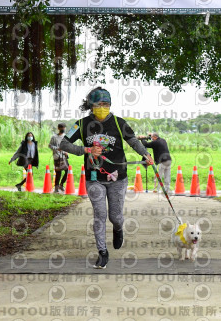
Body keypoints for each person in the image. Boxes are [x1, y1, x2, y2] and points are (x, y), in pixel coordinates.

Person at [60, 87, 154, 269]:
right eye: (99, 104)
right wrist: (85, 150)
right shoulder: (81, 124)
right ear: (91, 106)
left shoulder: (119, 123)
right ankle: (102, 252)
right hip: (94, 177)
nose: (103, 107)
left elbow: (133, 141)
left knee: (115, 216)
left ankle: (118, 229)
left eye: (106, 104)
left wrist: (145, 154)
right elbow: (62, 143)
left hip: (118, 178)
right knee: (100, 214)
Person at [49, 123, 69, 193]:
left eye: (64, 127)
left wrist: (67, 152)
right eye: (61, 128)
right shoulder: (54, 137)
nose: (63, 129)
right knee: (58, 173)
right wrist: (57, 148)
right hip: (57, 157)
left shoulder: (66, 137)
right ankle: (56, 188)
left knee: (67, 170)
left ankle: (61, 184)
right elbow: (50, 145)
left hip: (64, 157)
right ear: (58, 128)